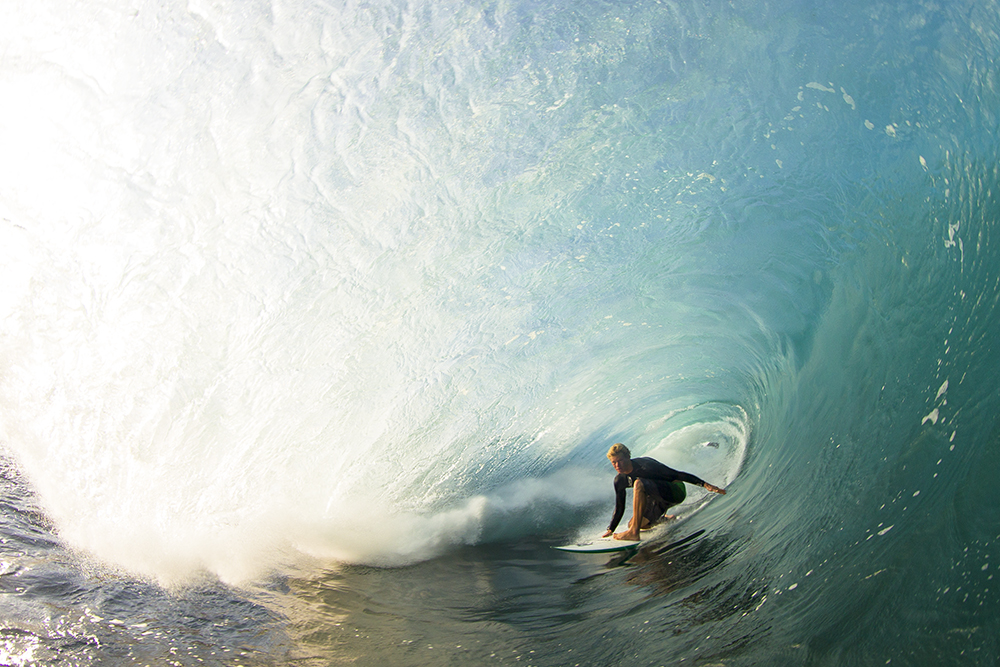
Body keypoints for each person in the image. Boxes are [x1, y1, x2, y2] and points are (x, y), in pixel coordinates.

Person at [602, 442, 727, 541]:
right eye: (614, 462)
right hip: (657, 498)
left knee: (638, 484)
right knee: (636, 523)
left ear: (628, 457)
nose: (617, 465)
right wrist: (611, 529)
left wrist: (705, 484)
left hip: (675, 491)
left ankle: (634, 533)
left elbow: (677, 475)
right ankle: (664, 519)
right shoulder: (620, 480)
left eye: (620, 461)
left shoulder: (646, 466)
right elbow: (620, 506)